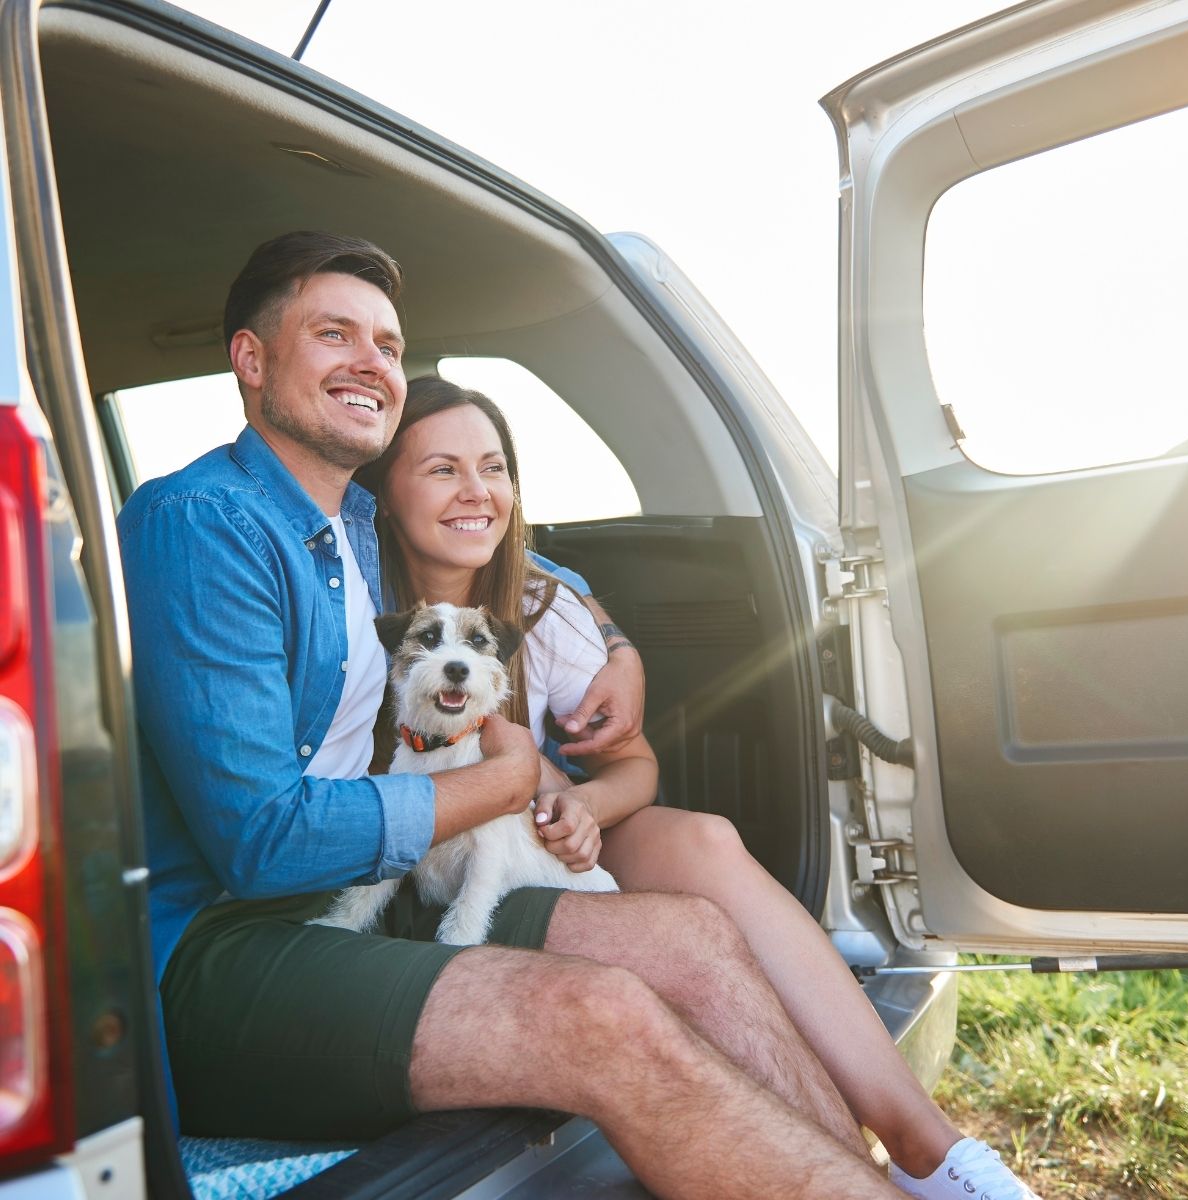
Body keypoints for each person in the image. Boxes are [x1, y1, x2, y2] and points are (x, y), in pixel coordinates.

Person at [118, 230, 905, 1200]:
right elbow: (261, 844)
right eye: (334, 334)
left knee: (695, 939)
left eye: (389, 344)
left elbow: (506, 559)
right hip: (229, 950)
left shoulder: (357, 530)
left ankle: (891, 1181)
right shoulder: (205, 524)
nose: (371, 362)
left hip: (374, 897)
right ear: (252, 359)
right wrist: (500, 781)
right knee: (606, 1015)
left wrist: (614, 645)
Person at [366, 373, 1044, 1200]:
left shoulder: (540, 601)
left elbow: (636, 768)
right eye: (442, 470)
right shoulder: (356, 601)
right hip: (419, 859)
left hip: (536, 840)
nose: (477, 491)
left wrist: (582, 803)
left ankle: (925, 1148)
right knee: (603, 847)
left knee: (705, 839)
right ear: (382, 496)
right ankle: (858, 1179)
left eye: (494, 466)